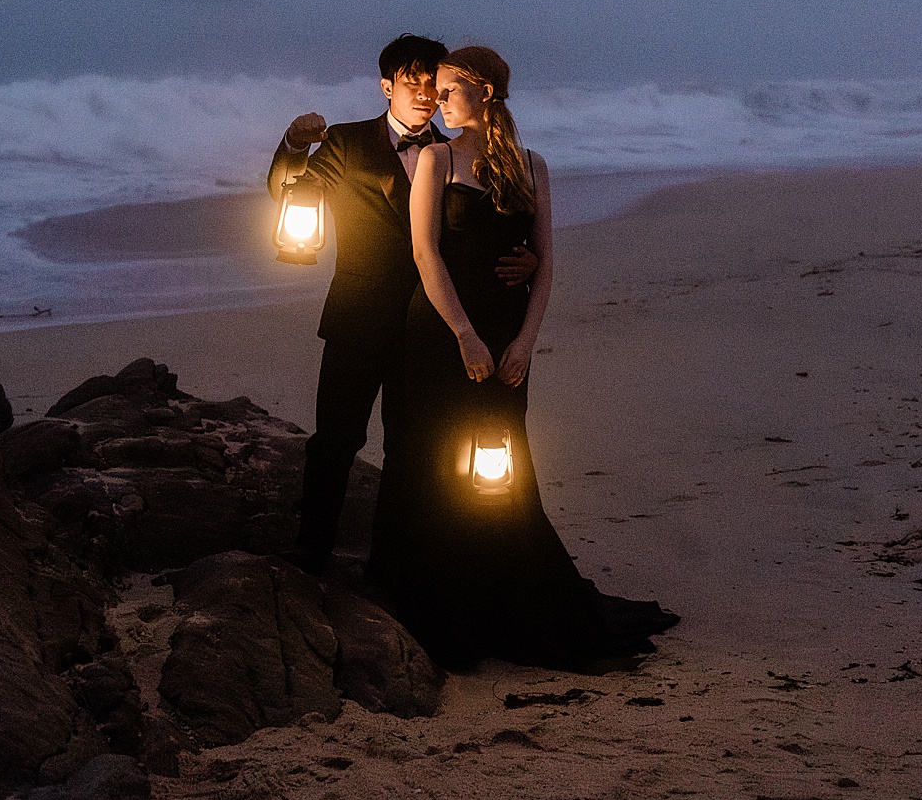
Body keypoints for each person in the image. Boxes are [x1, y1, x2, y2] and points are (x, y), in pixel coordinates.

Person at [373, 44, 678, 668]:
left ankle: (505, 596)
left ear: (484, 91)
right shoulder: (434, 158)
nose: (438, 98)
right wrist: (464, 333)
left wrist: (525, 342)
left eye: (449, 88)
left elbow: (545, 264)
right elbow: (425, 255)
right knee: (436, 460)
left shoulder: (532, 166)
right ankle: (444, 606)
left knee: (500, 466)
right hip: (440, 334)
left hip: (508, 336)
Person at [267, 34, 534, 575]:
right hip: (359, 317)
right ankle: (311, 551)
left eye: (433, 83)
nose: (425, 93)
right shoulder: (347, 141)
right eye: (412, 81)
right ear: (386, 85)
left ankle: (396, 566)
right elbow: (289, 190)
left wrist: (525, 259)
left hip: (430, 325)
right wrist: (294, 147)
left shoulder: (454, 150)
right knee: (336, 440)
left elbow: (482, 226)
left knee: (411, 449)